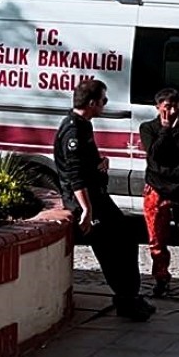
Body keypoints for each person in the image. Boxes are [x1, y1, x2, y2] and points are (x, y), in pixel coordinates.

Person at [55, 79, 154, 321]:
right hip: (87, 202)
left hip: (97, 197)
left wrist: (100, 163)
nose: (105, 105)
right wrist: (86, 211)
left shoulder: (83, 125)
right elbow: (75, 176)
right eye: (103, 100)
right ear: (91, 103)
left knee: (127, 240)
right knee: (110, 250)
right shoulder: (73, 130)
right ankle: (127, 301)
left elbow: (84, 166)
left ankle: (129, 296)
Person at [139, 88, 179, 301]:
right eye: (167, 107)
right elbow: (155, 154)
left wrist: (174, 131)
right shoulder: (148, 128)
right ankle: (161, 280)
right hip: (158, 190)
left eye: (176, 106)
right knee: (157, 240)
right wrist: (165, 130)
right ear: (158, 108)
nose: (172, 110)